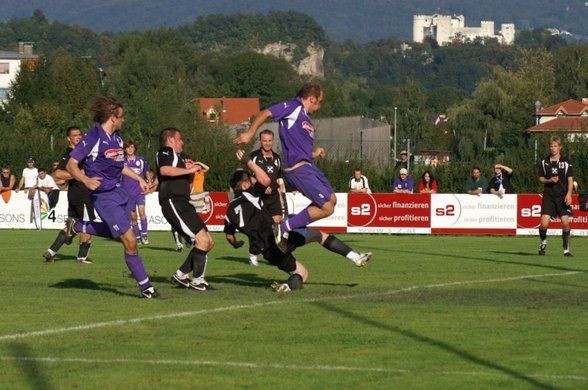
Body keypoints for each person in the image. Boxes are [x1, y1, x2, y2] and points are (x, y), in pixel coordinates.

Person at [224, 150, 372, 292]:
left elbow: (230, 237)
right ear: (246, 184)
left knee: (302, 273)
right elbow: (266, 180)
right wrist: (248, 162)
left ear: (231, 189)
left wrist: (237, 244)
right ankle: (355, 257)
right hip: (277, 237)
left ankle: (288, 286)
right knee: (318, 235)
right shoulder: (250, 193)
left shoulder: (228, 214)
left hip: (267, 252)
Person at [64, 96, 158, 299]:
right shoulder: (93, 137)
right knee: (130, 241)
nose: (124, 120)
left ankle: (79, 226)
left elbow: (120, 165)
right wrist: (86, 180)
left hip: (121, 192)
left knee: (121, 236)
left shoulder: (117, 138)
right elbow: (71, 165)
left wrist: (139, 178)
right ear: (112, 117)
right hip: (104, 197)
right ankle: (146, 288)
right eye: (121, 116)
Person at [234, 82, 334, 253]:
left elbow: (298, 148)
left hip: (309, 167)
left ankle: (286, 226)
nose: (320, 106)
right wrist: (250, 133)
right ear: (312, 98)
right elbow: (266, 112)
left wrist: (314, 154)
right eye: (320, 102)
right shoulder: (293, 107)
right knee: (327, 207)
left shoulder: (304, 116)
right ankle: (284, 227)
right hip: (298, 170)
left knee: (332, 200)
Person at [156, 127, 215, 291]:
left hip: (183, 201)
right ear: (171, 140)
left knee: (209, 242)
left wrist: (191, 172)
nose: (182, 142)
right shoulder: (165, 151)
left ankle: (181, 275)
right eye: (180, 139)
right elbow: (164, 170)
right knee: (202, 241)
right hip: (172, 201)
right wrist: (189, 169)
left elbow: (188, 183)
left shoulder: (183, 158)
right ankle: (198, 280)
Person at [42, 126, 96, 264]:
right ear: (68, 138)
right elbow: (57, 174)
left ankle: (51, 251)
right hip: (81, 194)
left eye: (79, 134)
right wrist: (78, 174)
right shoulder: (72, 154)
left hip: (73, 194)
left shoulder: (79, 153)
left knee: (72, 226)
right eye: (75, 135)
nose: (78, 137)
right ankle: (82, 257)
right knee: (86, 224)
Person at [245, 129, 286, 266]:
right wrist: (263, 186)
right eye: (264, 141)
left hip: (274, 197)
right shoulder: (253, 157)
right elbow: (250, 177)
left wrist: (281, 195)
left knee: (276, 226)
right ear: (260, 141)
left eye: (269, 140)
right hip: (259, 196)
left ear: (273, 141)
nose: (267, 143)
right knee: (259, 228)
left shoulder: (277, 158)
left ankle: (273, 254)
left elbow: (279, 178)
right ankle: (253, 254)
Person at [538, 136, 574, 257]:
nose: (553, 148)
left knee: (565, 223)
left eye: (555, 146)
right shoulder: (544, 161)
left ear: (560, 147)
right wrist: (549, 180)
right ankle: (543, 243)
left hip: (562, 196)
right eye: (551, 146)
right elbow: (540, 178)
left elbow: (570, 180)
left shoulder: (566, 162)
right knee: (543, 224)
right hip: (549, 196)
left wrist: (569, 194)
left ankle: (566, 249)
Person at [123, 140, 155, 245]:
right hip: (127, 193)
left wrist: (149, 182)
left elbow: (147, 170)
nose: (130, 149)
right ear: (125, 149)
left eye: (132, 147)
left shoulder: (140, 160)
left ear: (134, 148)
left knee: (142, 212)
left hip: (139, 191)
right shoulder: (122, 161)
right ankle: (137, 237)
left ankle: (144, 235)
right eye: (128, 147)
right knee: (133, 217)